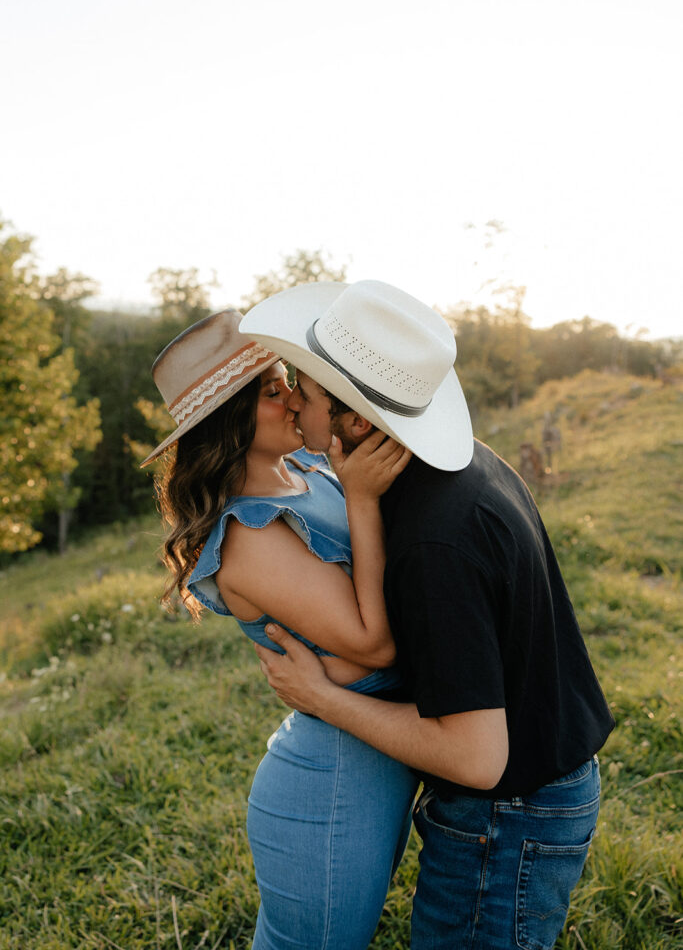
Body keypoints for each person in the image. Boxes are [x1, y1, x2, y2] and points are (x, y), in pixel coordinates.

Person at [240, 279, 616, 950]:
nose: (292, 397)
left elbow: (475, 758)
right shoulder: (467, 467)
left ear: (357, 421)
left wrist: (320, 698)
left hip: (509, 814)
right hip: (538, 785)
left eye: (307, 386)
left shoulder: (430, 541)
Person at [140, 309, 418, 950]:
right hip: (331, 787)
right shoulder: (251, 536)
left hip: (376, 762)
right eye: (272, 391)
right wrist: (364, 501)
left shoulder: (311, 475)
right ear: (229, 423)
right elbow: (373, 643)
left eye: (287, 380)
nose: (295, 398)